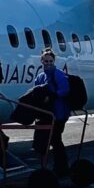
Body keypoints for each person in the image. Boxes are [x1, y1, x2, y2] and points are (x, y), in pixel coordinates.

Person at [31, 47, 71, 176]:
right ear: (42, 61)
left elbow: (64, 90)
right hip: (46, 114)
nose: (48, 64)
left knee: (55, 139)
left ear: (54, 61)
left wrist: (52, 95)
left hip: (59, 114)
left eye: (50, 61)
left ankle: (61, 167)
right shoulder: (40, 77)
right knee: (45, 140)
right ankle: (52, 167)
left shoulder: (58, 74)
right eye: (46, 61)